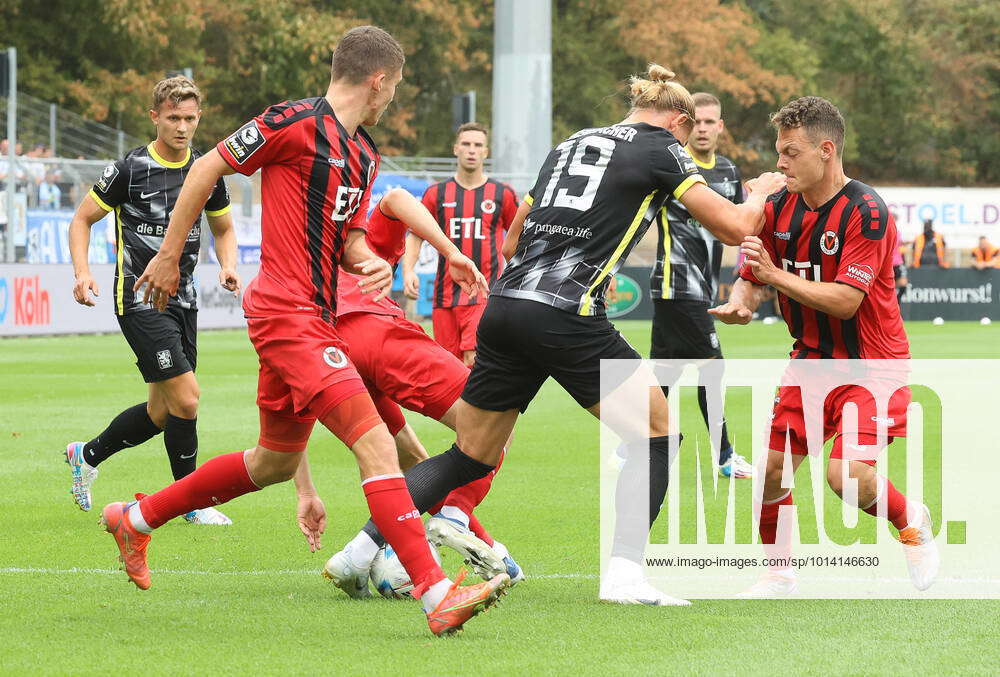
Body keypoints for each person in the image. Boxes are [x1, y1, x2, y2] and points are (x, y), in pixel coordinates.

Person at [95, 26, 508, 637]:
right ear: (379, 80)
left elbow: (346, 236)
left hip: (316, 316)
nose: (392, 98)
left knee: (274, 463)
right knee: (373, 443)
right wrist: (167, 251)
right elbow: (209, 165)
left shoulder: (362, 154)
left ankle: (136, 518)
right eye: (394, 87)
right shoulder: (292, 122)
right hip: (286, 315)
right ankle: (436, 594)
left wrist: (365, 257)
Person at [331, 64, 785, 608]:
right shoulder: (662, 146)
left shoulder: (574, 141)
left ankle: (359, 551)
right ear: (679, 121)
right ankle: (624, 577)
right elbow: (736, 226)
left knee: (469, 455)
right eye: (688, 135)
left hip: (504, 307)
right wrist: (760, 191)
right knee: (657, 433)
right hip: (567, 311)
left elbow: (510, 243)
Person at [709, 96, 938, 597]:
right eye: (779, 151)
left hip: (872, 367)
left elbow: (845, 302)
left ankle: (911, 521)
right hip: (810, 362)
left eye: (790, 152)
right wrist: (741, 300)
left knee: (847, 477)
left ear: (826, 150)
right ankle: (778, 574)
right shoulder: (777, 205)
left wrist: (774, 276)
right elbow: (752, 265)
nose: (780, 162)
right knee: (771, 473)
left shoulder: (867, 211)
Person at [318, 187, 524, 596]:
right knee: (495, 419)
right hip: (375, 333)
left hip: (326, 354)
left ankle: (487, 547)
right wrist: (450, 251)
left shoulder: (306, 246)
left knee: (411, 460)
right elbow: (395, 198)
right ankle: (366, 549)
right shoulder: (359, 232)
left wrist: (305, 488)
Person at [63, 76, 238, 526]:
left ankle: (87, 454)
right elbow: (81, 220)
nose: (182, 127)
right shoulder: (128, 170)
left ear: (199, 118)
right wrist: (82, 273)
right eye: (173, 117)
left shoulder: (207, 171)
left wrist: (228, 264)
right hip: (140, 299)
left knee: (162, 412)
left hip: (186, 299)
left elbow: (223, 228)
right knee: (188, 401)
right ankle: (190, 503)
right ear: (155, 116)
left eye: (190, 118)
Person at [648, 91, 753, 479]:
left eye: (711, 121)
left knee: (666, 372)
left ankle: (633, 443)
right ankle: (725, 456)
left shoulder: (727, 171)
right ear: (685, 123)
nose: (704, 128)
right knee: (712, 369)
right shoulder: (670, 165)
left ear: (720, 126)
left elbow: (741, 225)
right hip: (677, 282)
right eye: (698, 121)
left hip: (701, 286)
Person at [404, 123, 518, 367]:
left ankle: (485, 405)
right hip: (444, 298)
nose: (471, 150)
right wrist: (408, 270)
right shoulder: (437, 193)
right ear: (455, 149)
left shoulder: (502, 194)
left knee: (474, 360)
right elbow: (416, 234)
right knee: (449, 367)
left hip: (483, 294)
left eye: (477, 145)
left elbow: (519, 238)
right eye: (466, 144)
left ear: (485, 152)